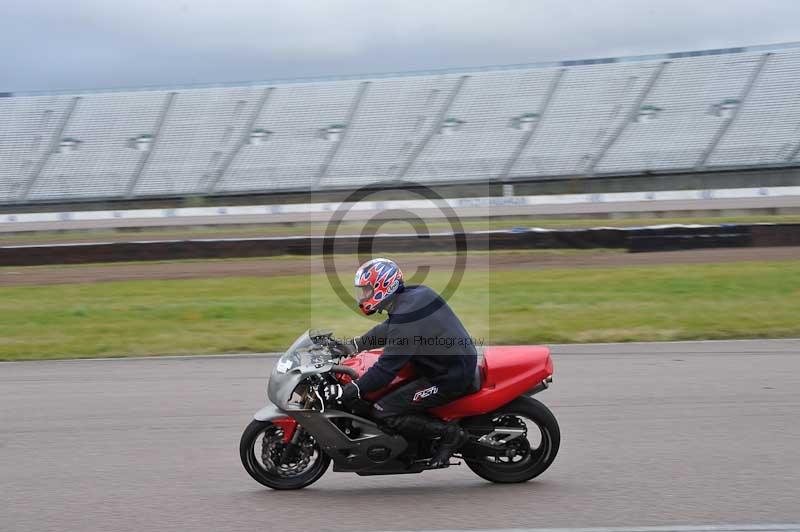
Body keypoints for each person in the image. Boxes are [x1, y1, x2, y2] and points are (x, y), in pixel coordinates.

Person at [326, 257, 478, 468]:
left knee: (383, 409)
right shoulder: (414, 296)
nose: (363, 296)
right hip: (448, 363)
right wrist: (355, 345)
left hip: (448, 377)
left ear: (383, 287)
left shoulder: (407, 317)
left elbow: (386, 369)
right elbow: (389, 327)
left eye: (367, 290)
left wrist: (354, 389)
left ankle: (450, 435)